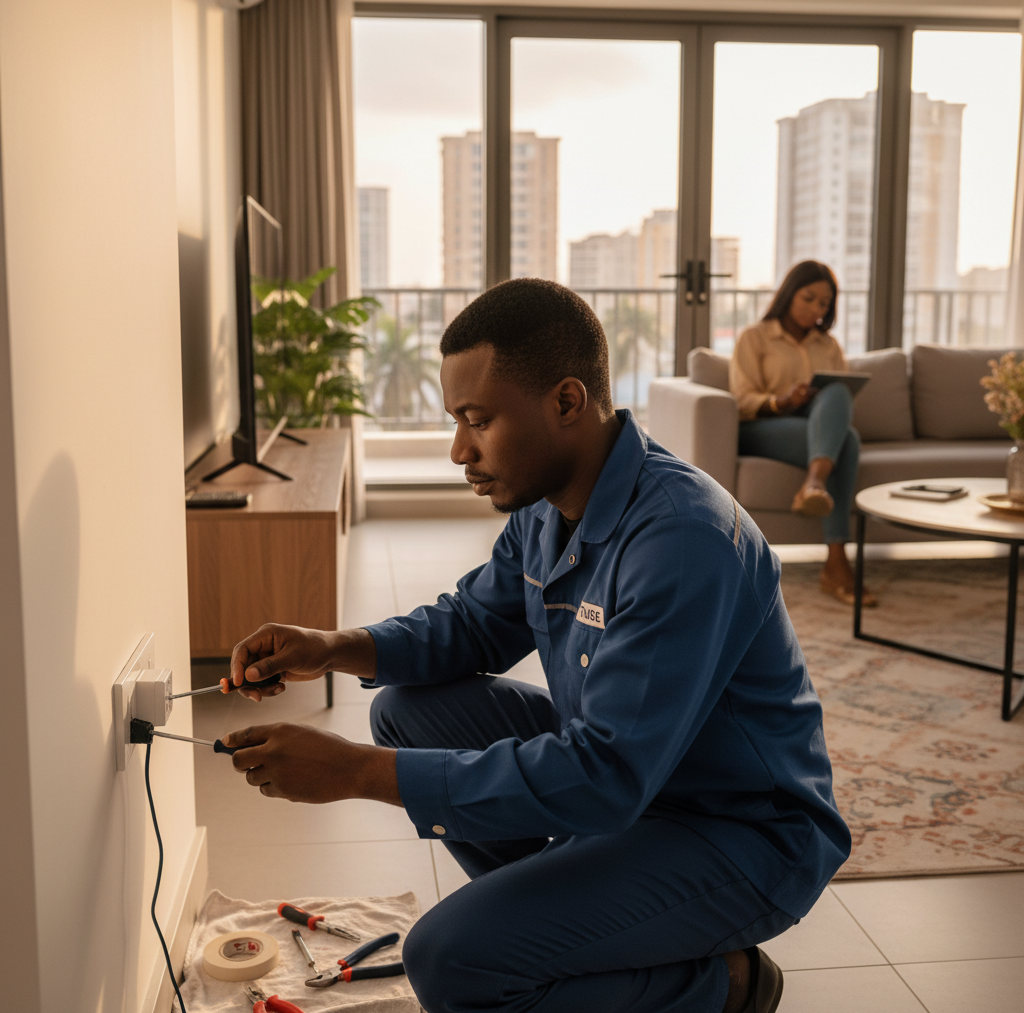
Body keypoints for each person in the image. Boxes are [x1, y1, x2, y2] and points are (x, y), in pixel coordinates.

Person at [221, 279, 851, 1013]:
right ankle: (569, 914)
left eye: (478, 421)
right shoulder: (548, 510)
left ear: (565, 402)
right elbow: (470, 627)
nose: (460, 449)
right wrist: (331, 646)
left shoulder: (683, 539)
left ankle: (721, 986)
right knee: (408, 711)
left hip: (736, 829)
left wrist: (356, 772)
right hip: (636, 788)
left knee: (447, 960)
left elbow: (607, 773)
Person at [729, 260, 875, 606]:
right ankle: (837, 563)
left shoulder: (828, 345)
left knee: (839, 397)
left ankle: (815, 486)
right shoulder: (755, 337)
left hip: (813, 427)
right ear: (789, 293)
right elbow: (742, 400)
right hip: (762, 427)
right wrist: (782, 401)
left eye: (823, 304)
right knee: (848, 443)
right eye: (808, 298)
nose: (815, 309)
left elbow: (842, 400)